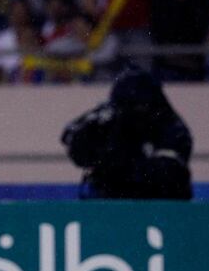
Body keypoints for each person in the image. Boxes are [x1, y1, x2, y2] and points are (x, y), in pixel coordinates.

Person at [61, 65, 192, 199]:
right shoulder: (110, 114)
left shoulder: (171, 125)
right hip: (108, 201)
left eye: (138, 106)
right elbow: (69, 136)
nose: (131, 112)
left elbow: (170, 173)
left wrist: (120, 166)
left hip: (156, 205)